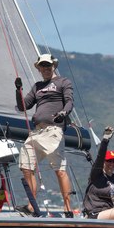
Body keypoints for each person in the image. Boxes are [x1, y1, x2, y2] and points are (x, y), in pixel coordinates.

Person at [15, 54, 74, 218]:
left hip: (53, 131)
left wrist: (63, 112)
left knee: (59, 170)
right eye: (43, 66)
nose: (46, 68)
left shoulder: (63, 82)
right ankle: (31, 205)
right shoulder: (37, 86)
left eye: (49, 65)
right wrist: (18, 90)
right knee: (26, 166)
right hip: (36, 133)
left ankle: (67, 208)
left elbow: (69, 101)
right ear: (39, 68)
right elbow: (23, 106)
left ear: (53, 66)